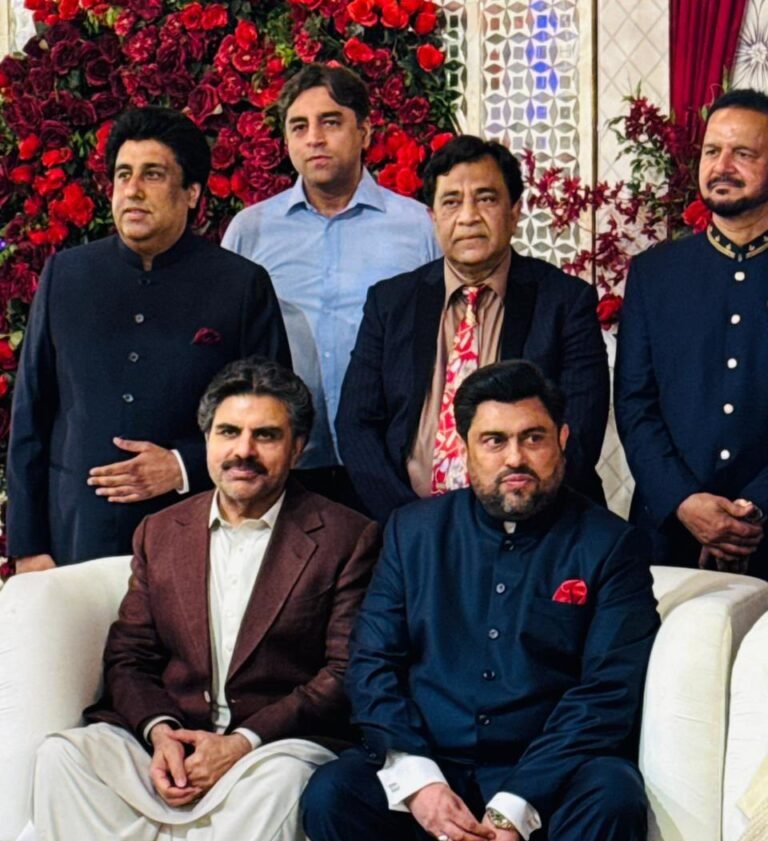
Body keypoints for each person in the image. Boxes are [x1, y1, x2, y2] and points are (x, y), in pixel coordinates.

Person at [302, 359, 659, 841]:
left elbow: (607, 692)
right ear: (464, 448)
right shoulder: (411, 532)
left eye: (533, 437)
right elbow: (372, 664)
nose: (514, 458)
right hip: (435, 758)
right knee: (332, 797)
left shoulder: (611, 546)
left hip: (549, 769)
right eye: (494, 440)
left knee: (614, 799)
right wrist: (418, 780)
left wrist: (514, 811)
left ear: (563, 440)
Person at [33, 358, 380, 841]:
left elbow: (344, 673)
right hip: (175, 736)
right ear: (208, 440)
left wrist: (241, 743)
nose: (243, 451)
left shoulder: (344, 536)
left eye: (266, 435)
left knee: (287, 780)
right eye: (228, 433)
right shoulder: (162, 530)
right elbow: (129, 658)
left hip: (272, 744)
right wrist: (161, 733)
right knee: (65, 757)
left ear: (297, 448)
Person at [8, 106, 290, 570]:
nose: (133, 190)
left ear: (192, 192)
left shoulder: (240, 285)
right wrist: (27, 547)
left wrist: (182, 465)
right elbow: (30, 418)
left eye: (153, 175)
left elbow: (275, 419)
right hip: (72, 538)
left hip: (199, 539)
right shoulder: (65, 276)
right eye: (123, 175)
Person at [335, 135, 609, 524]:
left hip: (537, 526)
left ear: (514, 212)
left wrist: (511, 522)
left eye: (486, 199)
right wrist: (408, 521)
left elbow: (580, 430)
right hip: (408, 522)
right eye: (451, 202)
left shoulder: (565, 301)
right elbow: (356, 425)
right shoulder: (391, 302)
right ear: (433, 217)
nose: (468, 217)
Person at [222, 63, 440, 502]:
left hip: (392, 462)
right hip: (281, 464)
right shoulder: (251, 230)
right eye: (299, 126)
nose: (314, 139)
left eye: (331, 122)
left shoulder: (420, 227)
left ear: (364, 131)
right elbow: (225, 344)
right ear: (286, 141)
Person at [615, 88, 768, 579]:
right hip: (669, 534)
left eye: (743, 153)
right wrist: (684, 501)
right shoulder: (655, 273)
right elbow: (635, 405)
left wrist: (754, 509)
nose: (722, 166)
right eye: (712, 151)